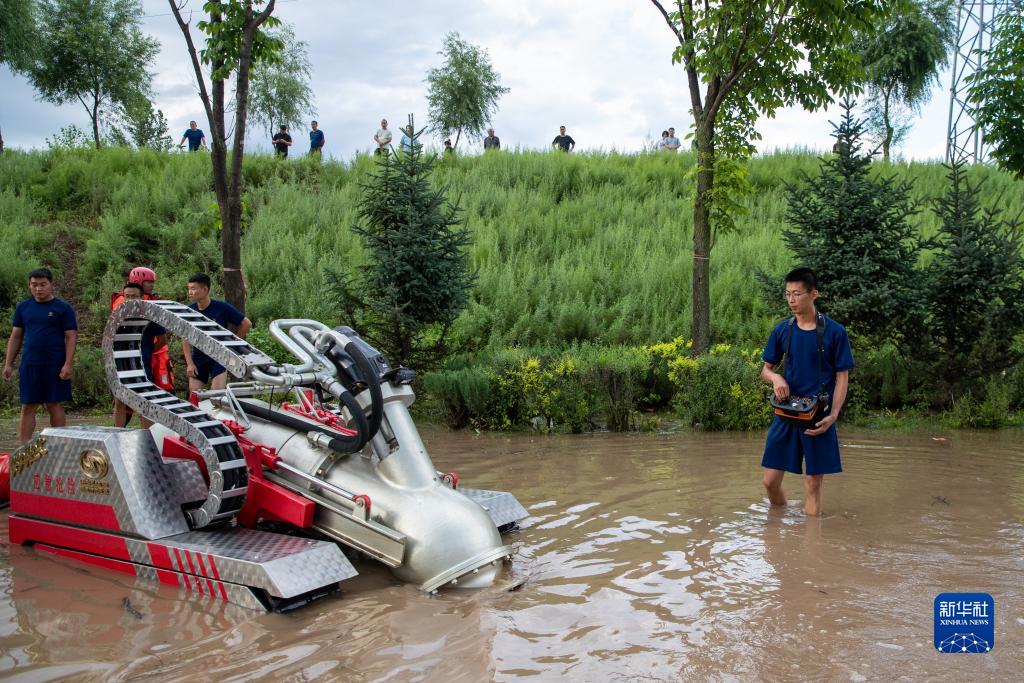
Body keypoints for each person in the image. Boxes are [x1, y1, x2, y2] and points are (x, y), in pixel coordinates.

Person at [760, 268, 854, 517]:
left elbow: (842, 377)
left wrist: (833, 415)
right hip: (786, 414)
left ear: (814, 294)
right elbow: (765, 370)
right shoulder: (782, 330)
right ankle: (780, 518)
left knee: (812, 485)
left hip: (818, 418)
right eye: (787, 294)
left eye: (796, 294)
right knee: (769, 482)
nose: (791, 300)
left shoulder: (835, 332)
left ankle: (812, 546)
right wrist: (775, 377)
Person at [3, 268, 78, 444]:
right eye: (34, 285)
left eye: (43, 284)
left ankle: (59, 446)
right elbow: (15, 336)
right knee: (28, 405)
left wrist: (67, 364)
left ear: (51, 285)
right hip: (30, 364)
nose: (38, 289)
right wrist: (8, 363)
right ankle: (23, 450)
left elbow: (71, 336)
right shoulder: (23, 307)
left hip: (55, 364)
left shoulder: (63, 308)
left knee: (54, 404)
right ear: (29, 285)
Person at [181, 273, 251, 393]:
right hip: (198, 358)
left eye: (193, 288)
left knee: (216, 395)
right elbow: (185, 338)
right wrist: (190, 364)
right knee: (195, 395)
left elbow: (246, 323)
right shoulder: (189, 310)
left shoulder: (221, 307)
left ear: (205, 289)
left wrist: (233, 344)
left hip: (219, 357)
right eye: (189, 289)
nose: (190, 292)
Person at [112, 282, 167, 428]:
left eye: (134, 296)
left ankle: (148, 437)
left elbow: (162, 339)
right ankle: (118, 435)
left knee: (145, 403)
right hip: (120, 365)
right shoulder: (117, 315)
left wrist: (149, 351)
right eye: (127, 296)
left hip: (142, 366)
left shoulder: (149, 315)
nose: (130, 299)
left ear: (142, 297)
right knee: (119, 402)